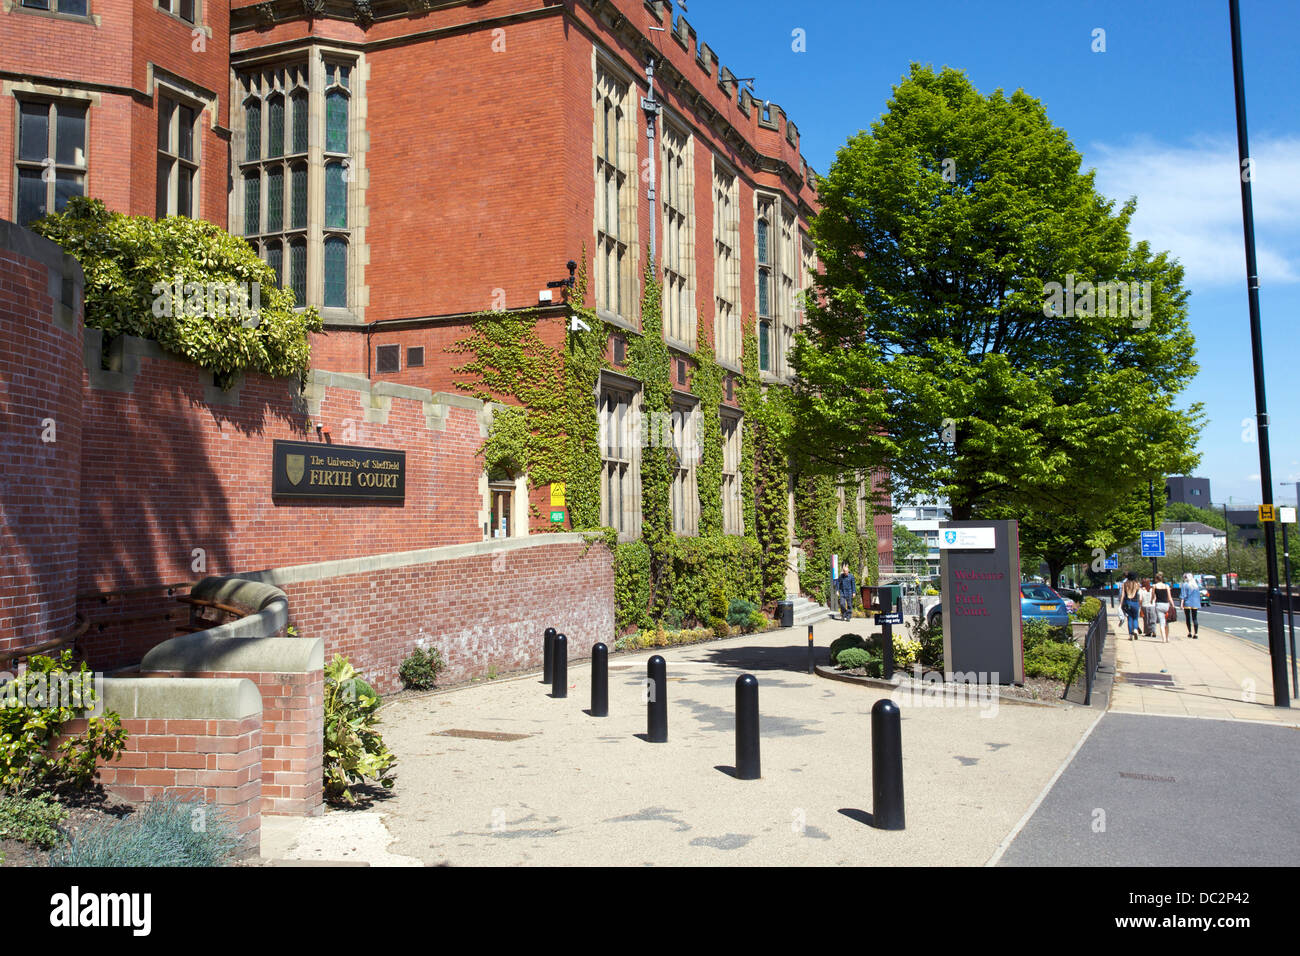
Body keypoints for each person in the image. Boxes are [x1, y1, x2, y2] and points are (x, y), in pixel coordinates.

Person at [1152, 571, 1174, 643]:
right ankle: (1167, 638)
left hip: (1159, 604)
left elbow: (1153, 596)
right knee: (1167, 622)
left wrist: (1151, 601)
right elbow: (1169, 597)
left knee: (1162, 622)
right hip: (1166, 604)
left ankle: (1163, 639)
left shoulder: (1154, 586)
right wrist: (1172, 605)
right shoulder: (1166, 586)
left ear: (1156, 579)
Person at [1120, 572, 1142, 639]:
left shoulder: (1125, 584)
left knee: (1130, 618)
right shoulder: (1137, 584)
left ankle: (1130, 635)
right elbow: (1139, 595)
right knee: (1135, 618)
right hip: (1135, 602)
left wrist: (1121, 604)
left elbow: (1123, 595)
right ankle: (1135, 629)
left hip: (1127, 602)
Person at [1180, 571, 1201, 639]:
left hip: (1187, 603)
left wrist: (1181, 604)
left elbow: (1183, 595)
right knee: (1195, 618)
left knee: (1188, 618)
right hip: (1195, 603)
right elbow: (1198, 596)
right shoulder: (1196, 586)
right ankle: (1196, 633)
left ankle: (1190, 632)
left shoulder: (1185, 585)